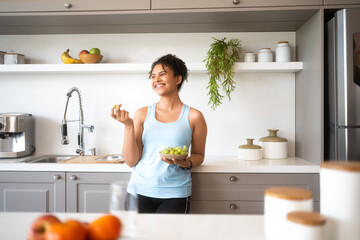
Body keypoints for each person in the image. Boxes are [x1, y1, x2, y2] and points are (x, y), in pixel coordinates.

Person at [110, 54, 207, 214]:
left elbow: (198, 155)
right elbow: (131, 161)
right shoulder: (142, 114)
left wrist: (187, 163)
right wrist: (128, 126)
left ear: (178, 79)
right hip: (139, 190)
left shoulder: (194, 116)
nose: (156, 80)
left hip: (176, 192)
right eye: (153, 76)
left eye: (162, 74)